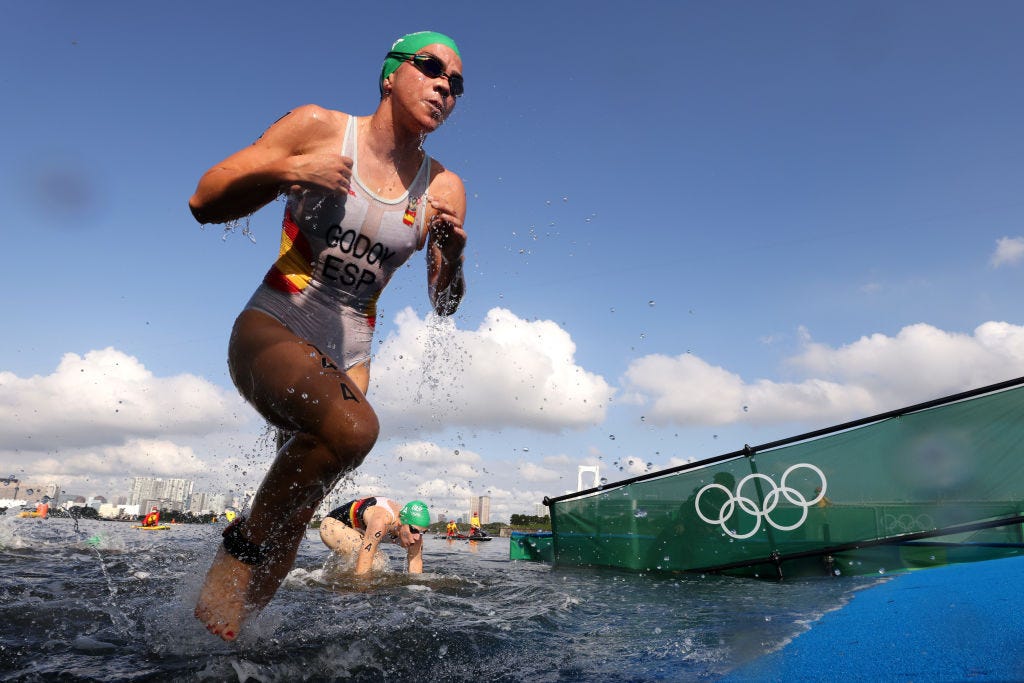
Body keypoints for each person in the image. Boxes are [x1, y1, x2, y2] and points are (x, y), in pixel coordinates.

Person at [189, 30, 468, 642]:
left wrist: (455, 259)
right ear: (390, 75)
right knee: (357, 427)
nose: (445, 86)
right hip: (275, 323)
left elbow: (443, 303)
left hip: (351, 352)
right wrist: (289, 167)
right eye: (431, 68)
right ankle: (236, 553)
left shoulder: (443, 187)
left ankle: (222, 643)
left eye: (456, 83)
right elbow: (204, 200)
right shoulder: (318, 126)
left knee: (295, 518)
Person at [319, 498, 429, 574]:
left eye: (422, 532)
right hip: (333, 525)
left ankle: (334, 577)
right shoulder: (382, 521)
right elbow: (366, 556)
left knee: (373, 564)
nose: (417, 537)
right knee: (377, 562)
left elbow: (415, 567)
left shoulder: (417, 536)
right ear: (401, 523)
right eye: (413, 530)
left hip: (359, 530)